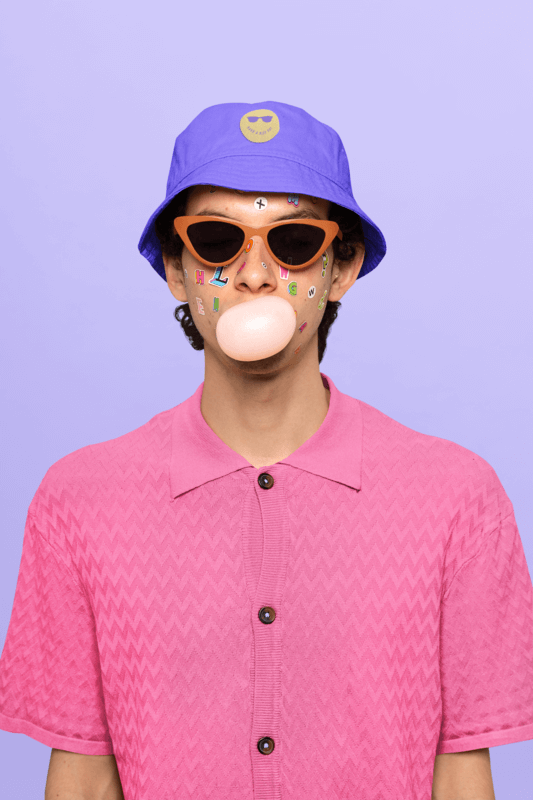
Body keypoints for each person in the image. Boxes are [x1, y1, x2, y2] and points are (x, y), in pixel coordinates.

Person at [0, 101, 531, 800]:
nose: (254, 275)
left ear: (341, 269)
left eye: (294, 244)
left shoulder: (457, 500)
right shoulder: (78, 502)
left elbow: (462, 777)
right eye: (218, 241)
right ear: (176, 270)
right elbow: (82, 782)